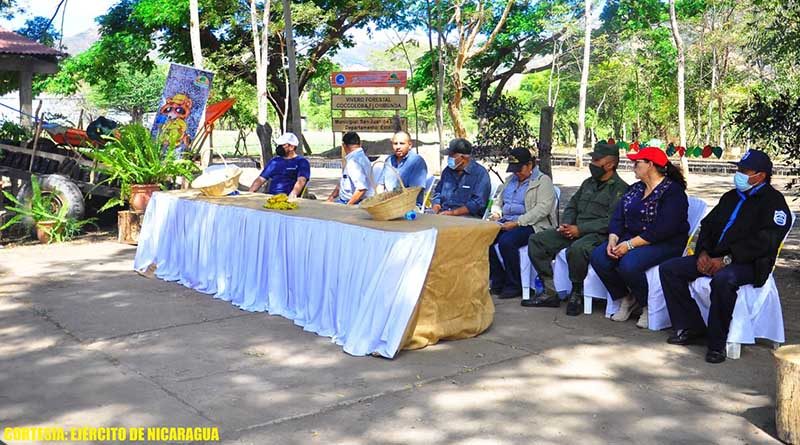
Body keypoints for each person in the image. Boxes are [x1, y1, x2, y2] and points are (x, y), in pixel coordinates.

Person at [659, 149, 790, 363]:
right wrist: (702, 252)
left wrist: (727, 259)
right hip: (712, 257)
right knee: (669, 269)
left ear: (761, 176)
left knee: (723, 280)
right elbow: (708, 226)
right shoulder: (730, 197)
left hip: (749, 264)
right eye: (738, 169)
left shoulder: (774, 203)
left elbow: (766, 242)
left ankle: (716, 344)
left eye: (745, 171)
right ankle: (691, 326)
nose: (739, 174)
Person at [589, 147, 689, 328]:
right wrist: (613, 238)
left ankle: (646, 305)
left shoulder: (673, 192)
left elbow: (663, 229)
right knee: (599, 257)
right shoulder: (636, 189)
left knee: (629, 264)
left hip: (664, 242)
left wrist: (629, 245)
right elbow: (618, 216)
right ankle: (627, 297)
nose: (633, 166)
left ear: (650, 165)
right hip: (632, 237)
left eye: (637, 163)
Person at [526, 141, 629, 315]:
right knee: (537, 241)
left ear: (610, 164)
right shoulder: (588, 183)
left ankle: (577, 292)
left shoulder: (620, 189)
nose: (592, 164)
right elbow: (572, 205)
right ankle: (550, 290)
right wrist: (566, 224)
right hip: (573, 229)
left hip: (597, 234)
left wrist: (580, 229)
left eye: (597, 160)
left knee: (577, 249)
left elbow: (610, 221)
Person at [488, 148, 558, 300]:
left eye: (519, 169)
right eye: (514, 170)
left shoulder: (542, 181)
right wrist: (496, 212)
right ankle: (498, 280)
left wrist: (518, 222)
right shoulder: (510, 181)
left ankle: (514, 284)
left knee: (507, 242)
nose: (516, 173)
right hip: (505, 221)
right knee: (485, 239)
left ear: (530, 165)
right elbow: (498, 201)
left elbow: (542, 209)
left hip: (532, 224)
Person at [431, 138, 491, 217]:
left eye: (451, 156)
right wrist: (436, 205)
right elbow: (438, 192)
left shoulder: (480, 174)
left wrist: (453, 213)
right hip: (443, 213)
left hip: (467, 218)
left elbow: (478, 203)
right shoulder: (447, 171)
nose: (449, 158)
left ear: (463, 158)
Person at [248, 132, 310, 197]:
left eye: (282, 145)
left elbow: (301, 181)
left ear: (291, 147)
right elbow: (261, 179)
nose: (279, 147)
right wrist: (249, 193)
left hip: (287, 198)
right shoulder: (274, 161)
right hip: (271, 197)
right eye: (279, 145)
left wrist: (292, 196)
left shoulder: (302, 162)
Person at [376, 130, 428, 204]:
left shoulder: (417, 162)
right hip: (387, 205)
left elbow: (414, 192)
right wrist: (381, 199)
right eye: (395, 143)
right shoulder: (389, 160)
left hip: (409, 206)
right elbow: (380, 185)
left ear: (410, 145)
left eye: (402, 143)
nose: (398, 147)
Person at [327, 131, 375, 205]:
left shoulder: (353, 162)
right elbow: (344, 181)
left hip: (353, 202)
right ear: (360, 144)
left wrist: (348, 206)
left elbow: (361, 188)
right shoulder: (362, 158)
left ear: (344, 145)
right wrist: (332, 197)